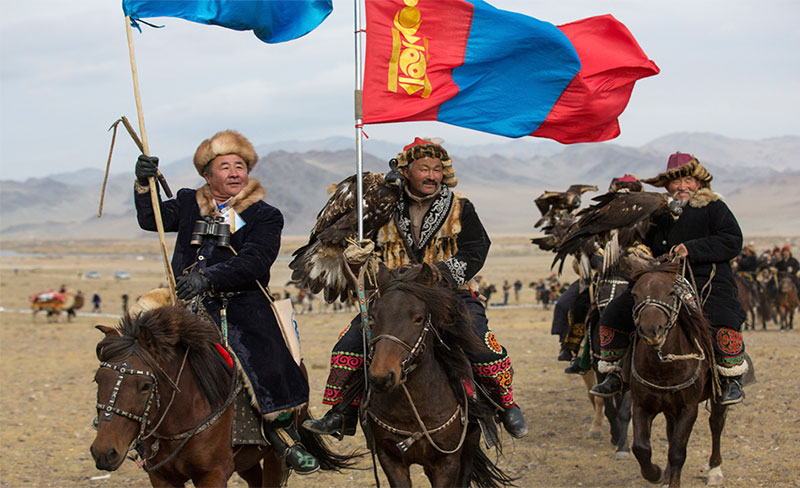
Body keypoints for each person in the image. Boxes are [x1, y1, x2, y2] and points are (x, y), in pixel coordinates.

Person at [302, 137, 528, 439]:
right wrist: (356, 261)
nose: (432, 176)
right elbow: (366, 256)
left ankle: (506, 405)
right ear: (407, 171)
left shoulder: (461, 207)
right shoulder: (384, 207)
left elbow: (476, 249)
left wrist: (439, 272)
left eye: (437, 169)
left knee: (483, 346)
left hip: (450, 295)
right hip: (395, 298)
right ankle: (341, 413)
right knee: (350, 345)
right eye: (424, 169)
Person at [133, 130, 319, 474]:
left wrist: (208, 278)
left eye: (240, 166)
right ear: (207, 175)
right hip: (187, 307)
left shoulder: (265, 215)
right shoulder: (189, 203)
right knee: (135, 356)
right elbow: (151, 219)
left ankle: (283, 434)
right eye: (225, 167)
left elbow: (255, 259)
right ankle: (136, 429)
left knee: (265, 359)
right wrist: (144, 184)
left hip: (241, 306)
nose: (235, 173)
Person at [590, 152, 748, 406]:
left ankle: (731, 379)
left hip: (706, 279)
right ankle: (615, 373)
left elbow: (732, 241)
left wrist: (692, 248)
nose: (682, 187)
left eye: (688, 180)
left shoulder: (714, 207)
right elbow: (647, 243)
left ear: (699, 182)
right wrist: (640, 253)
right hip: (660, 279)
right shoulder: (660, 214)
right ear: (667, 186)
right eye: (676, 182)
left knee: (723, 317)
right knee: (613, 314)